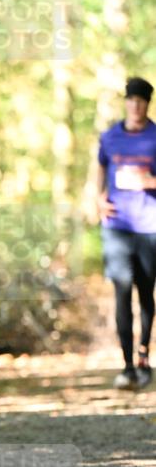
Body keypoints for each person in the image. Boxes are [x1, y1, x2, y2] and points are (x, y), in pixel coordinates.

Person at [97, 76, 156, 390]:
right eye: (131, 100)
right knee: (121, 291)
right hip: (116, 227)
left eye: (141, 100)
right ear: (126, 102)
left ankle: (144, 354)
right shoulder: (110, 137)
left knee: (146, 293)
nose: (135, 105)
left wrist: (148, 182)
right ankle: (128, 365)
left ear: (147, 103)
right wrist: (97, 196)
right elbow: (100, 167)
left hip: (149, 226)